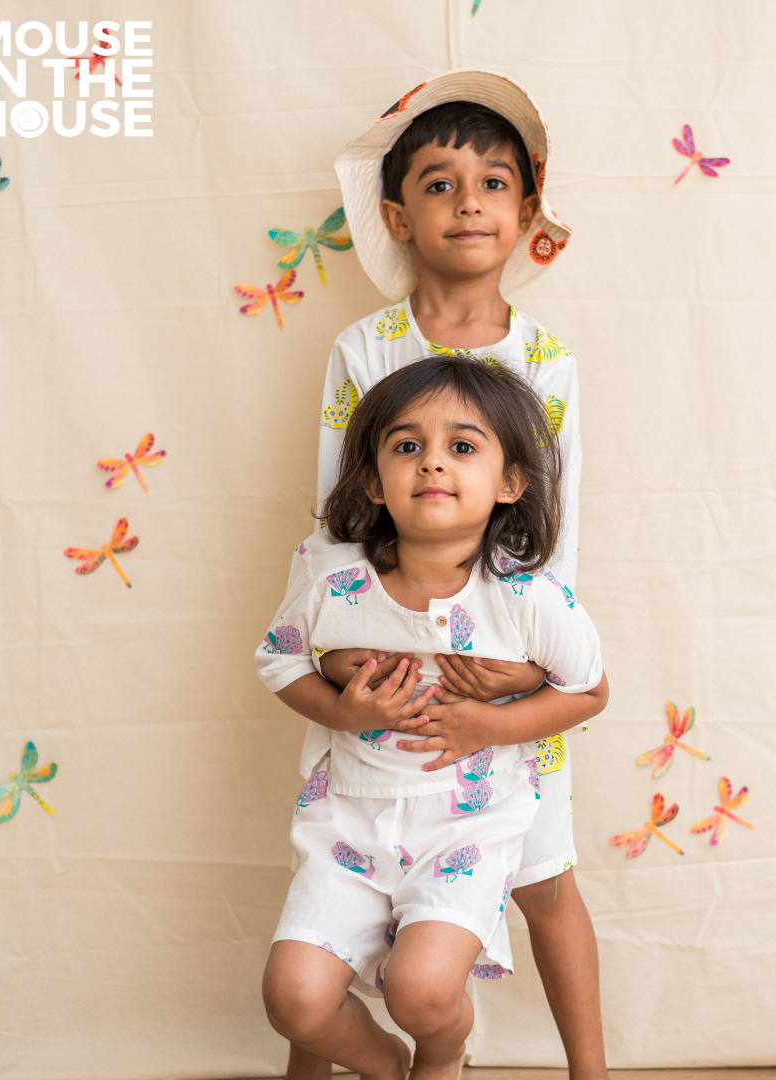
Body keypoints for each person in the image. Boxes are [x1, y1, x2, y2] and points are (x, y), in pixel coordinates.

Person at [302, 71, 609, 1078]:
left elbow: (555, 528)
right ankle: (356, 1049)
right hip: (382, 663)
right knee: (346, 880)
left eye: (492, 183)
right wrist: (343, 660)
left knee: (545, 879)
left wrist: (528, 670)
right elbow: (337, 514)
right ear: (397, 214)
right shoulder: (363, 349)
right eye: (438, 183)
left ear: (525, 211)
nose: (468, 202)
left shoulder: (548, 359)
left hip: (509, 671)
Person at [257, 358, 608, 1080]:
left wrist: (489, 726)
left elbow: (589, 690)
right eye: (408, 446)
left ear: (509, 483)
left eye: (463, 446)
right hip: (349, 821)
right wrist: (340, 710)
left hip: (466, 829)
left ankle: (442, 1052)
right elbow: (279, 660)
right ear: (373, 482)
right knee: (292, 999)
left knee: (422, 992)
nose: (433, 463)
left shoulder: (526, 596)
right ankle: (386, 1063)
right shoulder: (333, 579)